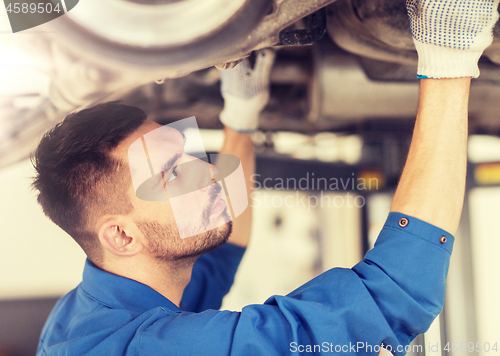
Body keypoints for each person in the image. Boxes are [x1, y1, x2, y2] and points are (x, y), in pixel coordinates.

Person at [34, 1, 499, 355]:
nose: (211, 171)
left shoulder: (104, 303)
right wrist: (448, 54)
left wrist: (240, 114)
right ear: (120, 234)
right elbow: (393, 301)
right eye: (174, 173)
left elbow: (222, 252)